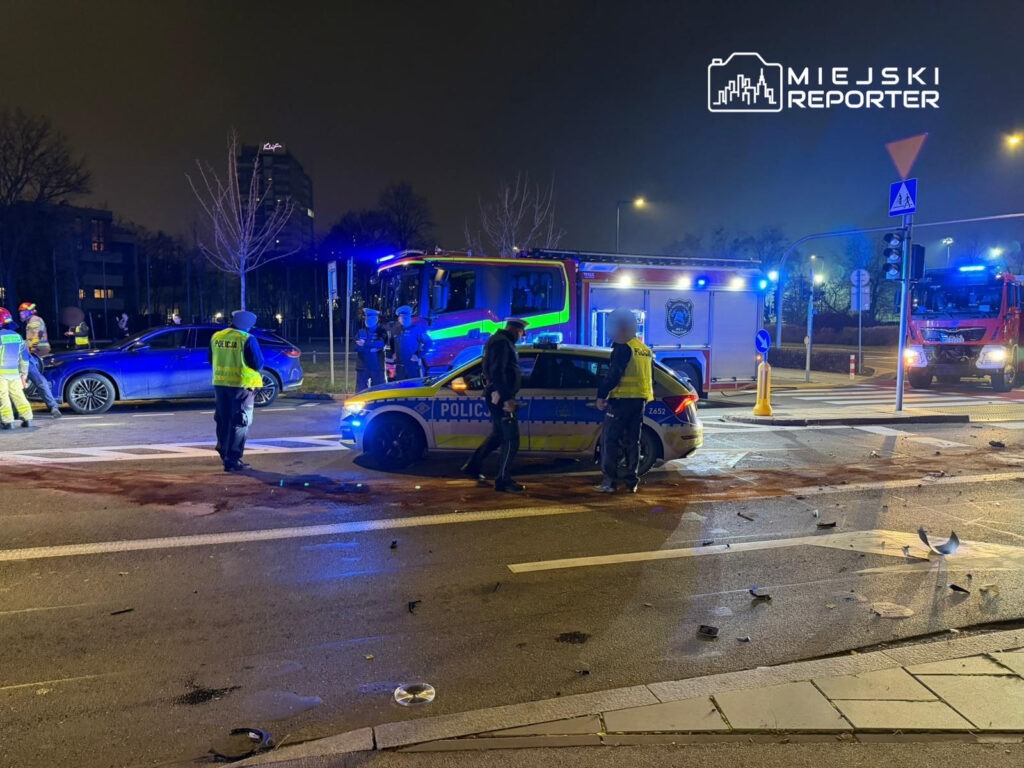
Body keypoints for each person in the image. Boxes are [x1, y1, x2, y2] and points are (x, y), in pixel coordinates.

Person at [462, 318, 527, 493]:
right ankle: (503, 480)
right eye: (522, 332)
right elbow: (497, 371)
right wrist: (506, 398)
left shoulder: (500, 341)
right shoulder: (502, 343)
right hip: (500, 396)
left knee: (498, 436)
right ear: (515, 330)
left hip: (497, 393)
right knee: (511, 440)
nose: (523, 336)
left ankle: (473, 466)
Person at [594, 308, 653, 494]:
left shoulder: (623, 347)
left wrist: (601, 395)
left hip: (621, 402)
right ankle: (631, 482)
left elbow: (614, 375)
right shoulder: (644, 349)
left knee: (609, 440)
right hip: (639, 402)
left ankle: (609, 482)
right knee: (632, 441)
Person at [209, 310, 264, 472]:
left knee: (223, 419)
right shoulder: (247, 338)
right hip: (242, 386)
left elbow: (210, 358)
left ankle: (223, 451)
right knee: (240, 422)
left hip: (220, 384)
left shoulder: (217, 336)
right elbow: (258, 363)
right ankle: (232, 459)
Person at [18, 302, 61, 418]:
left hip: (38, 352)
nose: (21, 315)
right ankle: (52, 406)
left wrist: (28, 350)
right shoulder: (31, 321)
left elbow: (34, 338)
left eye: (23, 312)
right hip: (33, 353)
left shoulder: (34, 320)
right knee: (38, 380)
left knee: (38, 381)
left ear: (30, 312)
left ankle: (52, 406)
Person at [0, 308, 34, 430]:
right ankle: (28, 419)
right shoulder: (18, 337)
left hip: (1, 374)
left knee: (3, 397)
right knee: (19, 396)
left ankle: (8, 422)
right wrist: (23, 375)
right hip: (14, 373)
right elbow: (24, 358)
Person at [389, 305, 429, 381]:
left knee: (413, 389)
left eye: (406, 317)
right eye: (402, 317)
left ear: (410, 317)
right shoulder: (396, 330)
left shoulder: (417, 329)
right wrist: (393, 353)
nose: (404, 319)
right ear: (399, 319)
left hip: (412, 367)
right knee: (399, 390)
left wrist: (418, 355)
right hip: (399, 367)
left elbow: (428, 343)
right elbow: (392, 343)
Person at [355, 309, 387, 391]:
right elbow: (356, 347)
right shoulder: (360, 332)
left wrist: (365, 344)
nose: (368, 320)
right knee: (360, 391)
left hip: (377, 366)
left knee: (378, 391)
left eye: (370, 318)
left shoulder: (381, 332)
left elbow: (381, 344)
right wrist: (372, 348)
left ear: (376, 319)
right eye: (366, 318)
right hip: (362, 366)